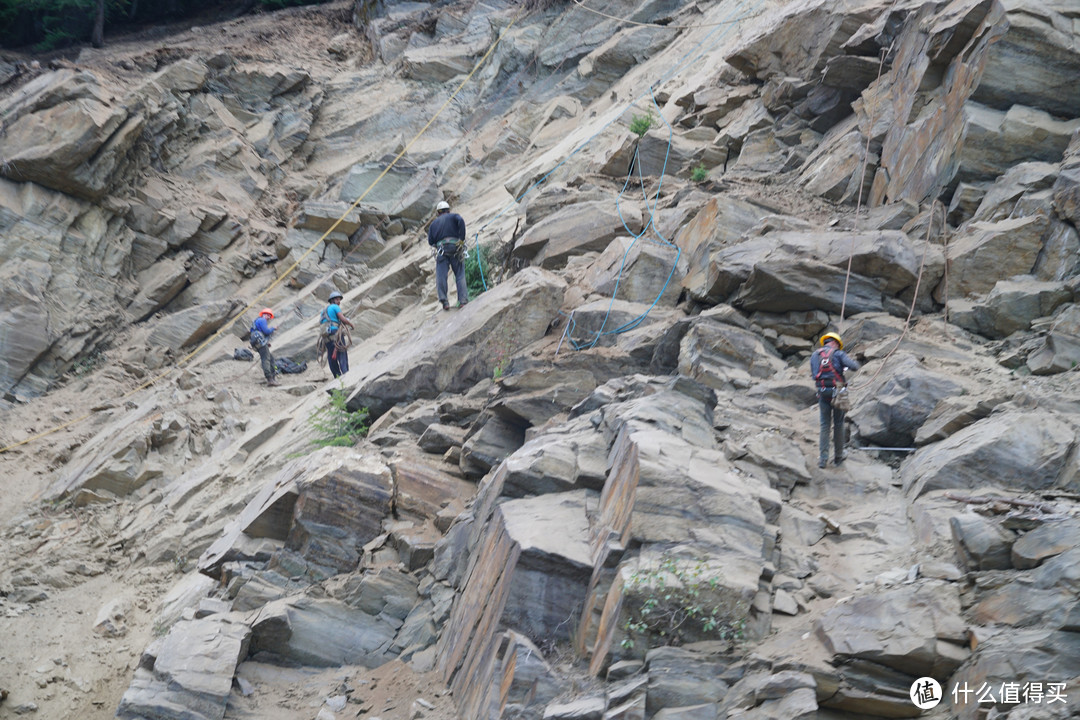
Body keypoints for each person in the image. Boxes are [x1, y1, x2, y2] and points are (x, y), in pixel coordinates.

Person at [810, 331, 859, 468]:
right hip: (838, 392)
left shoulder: (815, 355)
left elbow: (815, 375)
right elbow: (854, 366)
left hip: (823, 392)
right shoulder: (838, 354)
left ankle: (823, 460)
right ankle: (838, 457)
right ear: (835, 343)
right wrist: (843, 367)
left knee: (825, 425)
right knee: (838, 424)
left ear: (825, 342)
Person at [426, 200, 469, 311]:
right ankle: (463, 301)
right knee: (460, 274)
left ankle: (444, 301)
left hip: (442, 250)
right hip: (455, 246)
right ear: (448, 210)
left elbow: (430, 241)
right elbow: (460, 221)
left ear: (438, 212)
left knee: (441, 275)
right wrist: (461, 239)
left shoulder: (433, 224)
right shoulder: (454, 216)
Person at [320, 290, 355, 378]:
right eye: (337, 299)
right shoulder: (335, 307)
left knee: (331, 356)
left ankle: (337, 376)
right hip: (335, 333)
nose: (339, 302)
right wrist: (351, 324)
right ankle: (346, 375)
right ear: (333, 300)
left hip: (326, 336)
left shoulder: (324, 311)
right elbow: (343, 319)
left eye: (339, 299)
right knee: (342, 353)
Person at [250, 308, 279, 387]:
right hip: (260, 341)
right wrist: (273, 328)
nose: (268, 317)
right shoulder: (262, 320)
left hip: (257, 342)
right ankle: (270, 379)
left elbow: (263, 333)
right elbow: (266, 331)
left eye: (270, 316)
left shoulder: (256, 322)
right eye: (267, 315)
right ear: (263, 314)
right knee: (266, 359)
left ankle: (272, 378)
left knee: (271, 358)